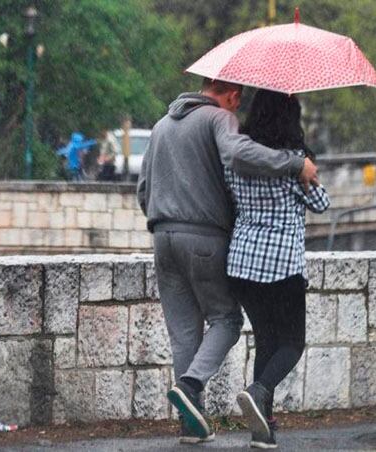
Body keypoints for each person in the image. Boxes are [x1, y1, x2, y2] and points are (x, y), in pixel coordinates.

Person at [136, 79, 318, 444]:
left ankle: (191, 423)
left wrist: (164, 220)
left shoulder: (160, 126)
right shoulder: (219, 119)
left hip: (161, 237)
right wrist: (295, 164)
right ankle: (190, 384)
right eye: (237, 102)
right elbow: (238, 155)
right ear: (232, 95)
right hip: (204, 236)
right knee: (226, 320)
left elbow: (143, 189)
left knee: (185, 333)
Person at [226, 89, 329, 449]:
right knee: (292, 343)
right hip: (281, 264)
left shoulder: (239, 158)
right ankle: (260, 390)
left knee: (267, 342)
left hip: (241, 263)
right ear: (291, 119)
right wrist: (306, 164)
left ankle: (263, 428)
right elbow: (321, 202)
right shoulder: (293, 162)